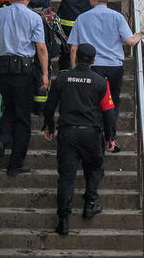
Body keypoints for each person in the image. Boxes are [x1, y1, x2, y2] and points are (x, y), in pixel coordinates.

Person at [43, 43, 117, 235]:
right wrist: (111, 137)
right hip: (91, 134)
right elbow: (109, 113)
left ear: (75, 58)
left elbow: (49, 105)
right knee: (94, 168)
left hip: (67, 133)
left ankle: (64, 221)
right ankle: (89, 205)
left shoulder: (62, 78)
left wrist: (49, 127)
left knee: (66, 177)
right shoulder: (101, 82)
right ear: (93, 60)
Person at [0, 0, 49, 175]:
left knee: (9, 108)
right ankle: (15, 164)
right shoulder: (33, 18)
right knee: (23, 117)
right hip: (23, 72)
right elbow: (41, 48)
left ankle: (2, 139)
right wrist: (45, 73)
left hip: (2, 71)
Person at [68, 0, 141, 129]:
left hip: (91, 67)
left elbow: (74, 48)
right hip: (114, 67)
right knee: (113, 100)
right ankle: (110, 135)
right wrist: (137, 37)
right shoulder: (117, 17)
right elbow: (130, 41)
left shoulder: (81, 18)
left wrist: (75, 68)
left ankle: (93, 129)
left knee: (90, 100)